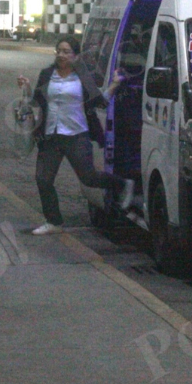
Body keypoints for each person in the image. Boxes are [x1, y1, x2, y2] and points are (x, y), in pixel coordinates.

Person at [17, 35, 135, 235]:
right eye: (59, 51)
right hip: (50, 135)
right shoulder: (47, 74)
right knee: (43, 179)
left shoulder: (83, 77)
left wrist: (114, 85)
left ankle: (123, 184)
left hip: (77, 134)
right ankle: (53, 221)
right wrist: (27, 87)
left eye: (66, 52)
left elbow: (99, 102)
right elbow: (36, 100)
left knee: (88, 178)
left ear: (76, 56)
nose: (61, 55)